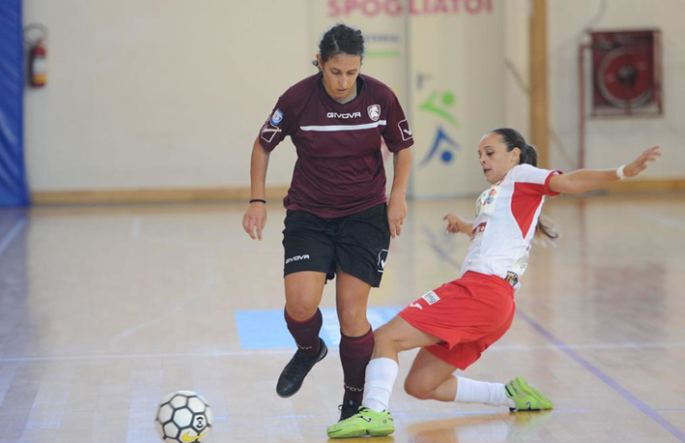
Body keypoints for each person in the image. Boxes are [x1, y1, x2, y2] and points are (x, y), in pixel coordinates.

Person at [326, 127, 662, 438]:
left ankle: (374, 412)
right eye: (479, 155)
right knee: (421, 385)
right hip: (495, 306)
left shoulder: (522, 176)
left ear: (514, 154)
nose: (483, 160)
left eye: (490, 152)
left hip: (479, 292)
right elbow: (493, 231)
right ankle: (510, 395)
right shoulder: (496, 194)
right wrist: (463, 226)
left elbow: (571, 181)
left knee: (385, 337)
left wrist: (622, 172)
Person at [241, 23, 414, 423]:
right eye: (335, 71)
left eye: (351, 72)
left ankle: (353, 402)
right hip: (310, 213)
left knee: (352, 313)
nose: (343, 81)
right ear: (320, 63)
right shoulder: (298, 98)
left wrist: (398, 196)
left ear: (360, 67)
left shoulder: (381, 97)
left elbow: (403, 147)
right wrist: (256, 199)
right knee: (300, 305)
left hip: (365, 215)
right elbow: (262, 145)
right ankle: (309, 349)